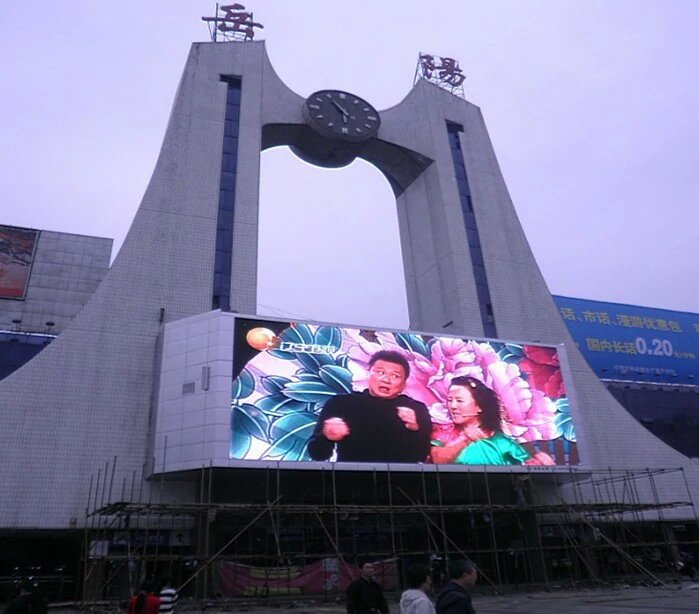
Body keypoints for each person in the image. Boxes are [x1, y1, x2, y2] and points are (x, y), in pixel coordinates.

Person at [308, 350, 432, 463]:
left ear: (404, 384)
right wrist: (326, 437)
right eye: (380, 372)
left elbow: (420, 456)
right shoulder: (341, 404)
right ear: (368, 374)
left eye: (395, 376)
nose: (386, 380)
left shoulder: (416, 409)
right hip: (350, 480)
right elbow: (317, 454)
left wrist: (415, 429)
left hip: (398, 481)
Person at [431, 377, 548, 466]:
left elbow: (526, 472)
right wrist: (464, 440)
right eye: (450, 400)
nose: (453, 406)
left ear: (480, 407)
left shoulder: (502, 442)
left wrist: (544, 466)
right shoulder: (442, 433)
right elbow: (437, 459)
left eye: (459, 401)